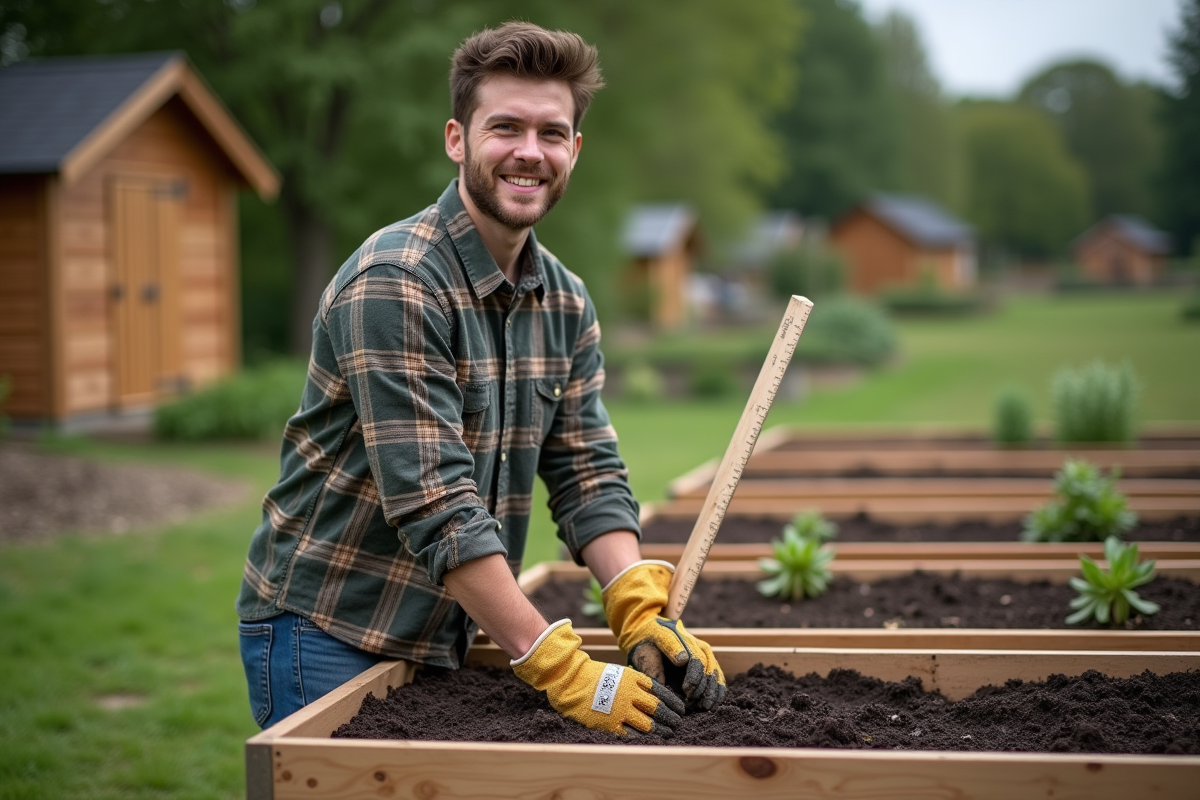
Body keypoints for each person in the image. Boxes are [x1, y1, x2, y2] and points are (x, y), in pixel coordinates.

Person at [235, 21, 724, 738]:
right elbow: (436, 502)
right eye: (506, 128)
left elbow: (586, 469)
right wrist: (560, 665)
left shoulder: (564, 299)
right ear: (457, 139)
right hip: (330, 628)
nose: (530, 152)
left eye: (552, 133)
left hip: (452, 626)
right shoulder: (397, 283)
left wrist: (633, 599)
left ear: (574, 151)